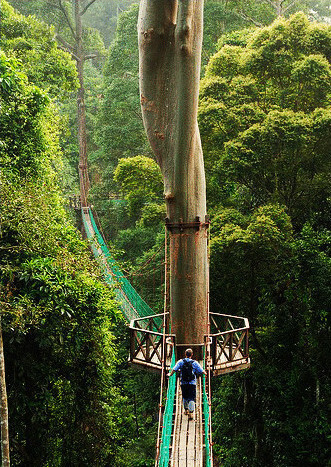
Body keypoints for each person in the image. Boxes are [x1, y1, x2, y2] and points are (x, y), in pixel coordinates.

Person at [167, 348, 207, 420]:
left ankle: (186, 410)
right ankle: (191, 413)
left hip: (183, 383)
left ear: (185, 354)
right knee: (191, 397)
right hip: (192, 383)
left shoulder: (181, 362)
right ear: (192, 355)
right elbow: (202, 371)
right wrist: (205, 374)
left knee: (185, 396)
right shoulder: (194, 362)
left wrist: (170, 374)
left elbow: (174, 369)